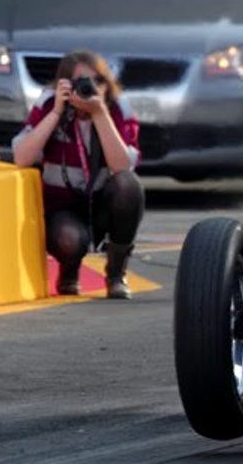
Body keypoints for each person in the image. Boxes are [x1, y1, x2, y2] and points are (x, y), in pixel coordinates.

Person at [12, 51, 145, 300]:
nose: (90, 89)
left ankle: (116, 273)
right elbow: (21, 157)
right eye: (82, 82)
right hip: (63, 207)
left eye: (99, 82)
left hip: (103, 202)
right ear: (64, 85)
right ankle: (69, 270)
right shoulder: (50, 104)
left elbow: (122, 167)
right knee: (70, 239)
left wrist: (99, 113)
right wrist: (55, 114)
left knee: (129, 186)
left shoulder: (117, 109)